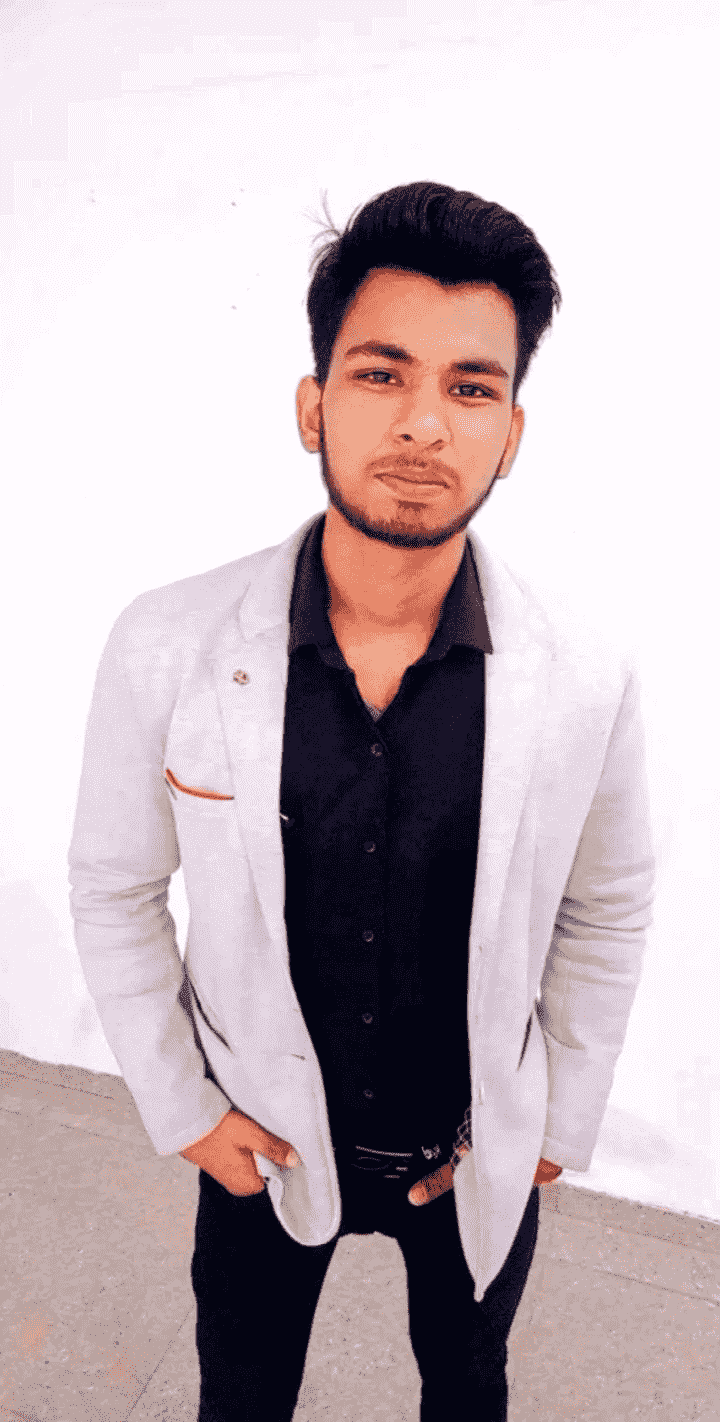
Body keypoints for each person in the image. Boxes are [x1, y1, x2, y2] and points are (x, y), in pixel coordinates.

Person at [68, 181, 655, 1422]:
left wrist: (555, 1120)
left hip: (473, 1149)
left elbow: (608, 905)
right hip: (263, 1139)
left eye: (471, 388)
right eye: (381, 374)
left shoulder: (586, 671)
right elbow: (114, 887)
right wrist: (186, 1112)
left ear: (512, 432)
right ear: (312, 404)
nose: (424, 425)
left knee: (469, 1388)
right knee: (242, 1394)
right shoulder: (169, 644)